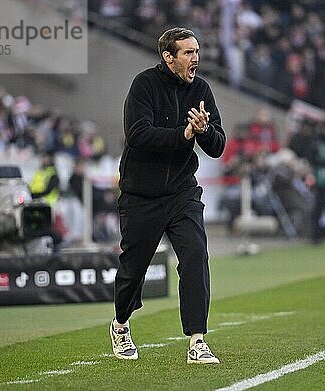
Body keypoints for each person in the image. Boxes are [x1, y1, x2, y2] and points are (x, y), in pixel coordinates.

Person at [111, 27, 225, 363]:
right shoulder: (144, 85)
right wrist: (184, 133)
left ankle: (198, 340)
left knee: (195, 258)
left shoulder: (201, 89)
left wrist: (203, 132)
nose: (196, 58)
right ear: (168, 57)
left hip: (182, 192)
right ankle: (120, 325)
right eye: (188, 52)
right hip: (141, 195)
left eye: (197, 51)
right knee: (134, 268)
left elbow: (218, 146)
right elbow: (138, 134)